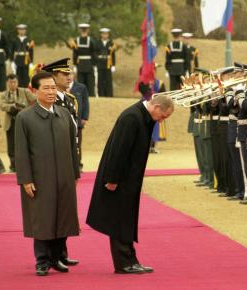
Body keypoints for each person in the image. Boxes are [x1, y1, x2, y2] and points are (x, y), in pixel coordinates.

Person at [86, 95, 174, 274]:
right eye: (163, 116)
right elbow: (118, 150)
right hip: (119, 179)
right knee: (119, 220)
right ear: (156, 107)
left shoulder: (142, 116)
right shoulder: (132, 117)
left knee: (126, 219)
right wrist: (112, 179)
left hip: (128, 180)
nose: (162, 120)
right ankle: (124, 263)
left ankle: (130, 259)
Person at [15, 71, 80, 276]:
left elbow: (73, 148)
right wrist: (25, 179)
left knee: (63, 217)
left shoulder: (64, 115)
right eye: (46, 88)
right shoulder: (24, 118)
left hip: (64, 177)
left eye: (53, 87)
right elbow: (21, 152)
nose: (51, 92)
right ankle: (42, 261)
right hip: (40, 178)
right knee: (42, 219)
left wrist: (75, 173)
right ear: (34, 91)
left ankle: (57, 257)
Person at [0, 74, 36, 172]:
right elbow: (2, 106)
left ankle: (27, 166)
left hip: (25, 122)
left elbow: (35, 100)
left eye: (14, 82)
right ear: (7, 83)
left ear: (17, 82)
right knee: (11, 146)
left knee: (26, 144)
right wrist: (13, 106)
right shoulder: (4, 94)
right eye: (10, 82)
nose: (13, 84)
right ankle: (13, 166)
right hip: (10, 123)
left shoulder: (25, 91)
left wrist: (27, 109)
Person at [68, 72, 89, 169]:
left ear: (74, 75)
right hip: (64, 122)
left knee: (77, 144)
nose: (68, 76)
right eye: (66, 74)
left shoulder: (81, 87)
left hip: (77, 122)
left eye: (70, 74)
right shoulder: (60, 87)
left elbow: (85, 103)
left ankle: (78, 164)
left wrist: (84, 117)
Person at [71, 24, 96, 96]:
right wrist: (75, 64)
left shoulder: (91, 41)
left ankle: (91, 96)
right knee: (81, 82)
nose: (84, 31)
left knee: (90, 82)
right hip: (82, 64)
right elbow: (75, 53)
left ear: (88, 30)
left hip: (88, 63)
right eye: (83, 30)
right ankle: (80, 96)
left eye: (85, 30)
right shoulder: (76, 40)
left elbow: (94, 53)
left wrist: (94, 64)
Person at [94, 28, 116, 97]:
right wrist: (95, 64)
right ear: (101, 34)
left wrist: (113, 65)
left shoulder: (111, 43)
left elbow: (113, 55)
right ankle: (101, 95)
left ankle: (109, 95)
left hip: (108, 64)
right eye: (103, 34)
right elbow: (94, 53)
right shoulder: (97, 43)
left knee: (108, 80)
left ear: (108, 35)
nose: (105, 35)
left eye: (106, 34)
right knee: (100, 80)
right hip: (100, 63)